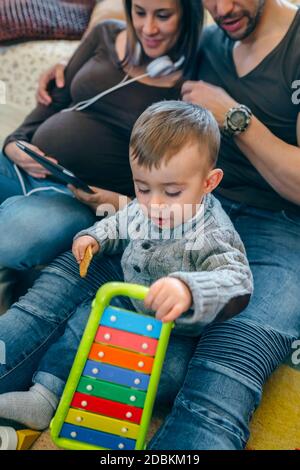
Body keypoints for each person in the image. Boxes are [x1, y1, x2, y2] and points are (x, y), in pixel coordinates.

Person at [0, 101, 253, 436]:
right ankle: (44, 395)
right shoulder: (147, 207)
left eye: (173, 192)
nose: (154, 204)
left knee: (169, 373)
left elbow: (237, 279)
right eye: (142, 187)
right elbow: (121, 221)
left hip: (172, 330)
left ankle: (98, 397)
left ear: (209, 183)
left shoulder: (210, 232)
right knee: (81, 326)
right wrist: (93, 237)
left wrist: (189, 289)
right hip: (127, 301)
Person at [0, 0, 203, 270]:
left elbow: (181, 191)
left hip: (80, 201)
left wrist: (122, 204)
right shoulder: (105, 34)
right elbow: (53, 100)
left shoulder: (194, 83)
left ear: (187, 17)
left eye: (163, 16)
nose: (148, 28)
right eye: (139, 12)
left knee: (17, 239)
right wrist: (14, 144)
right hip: (22, 169)